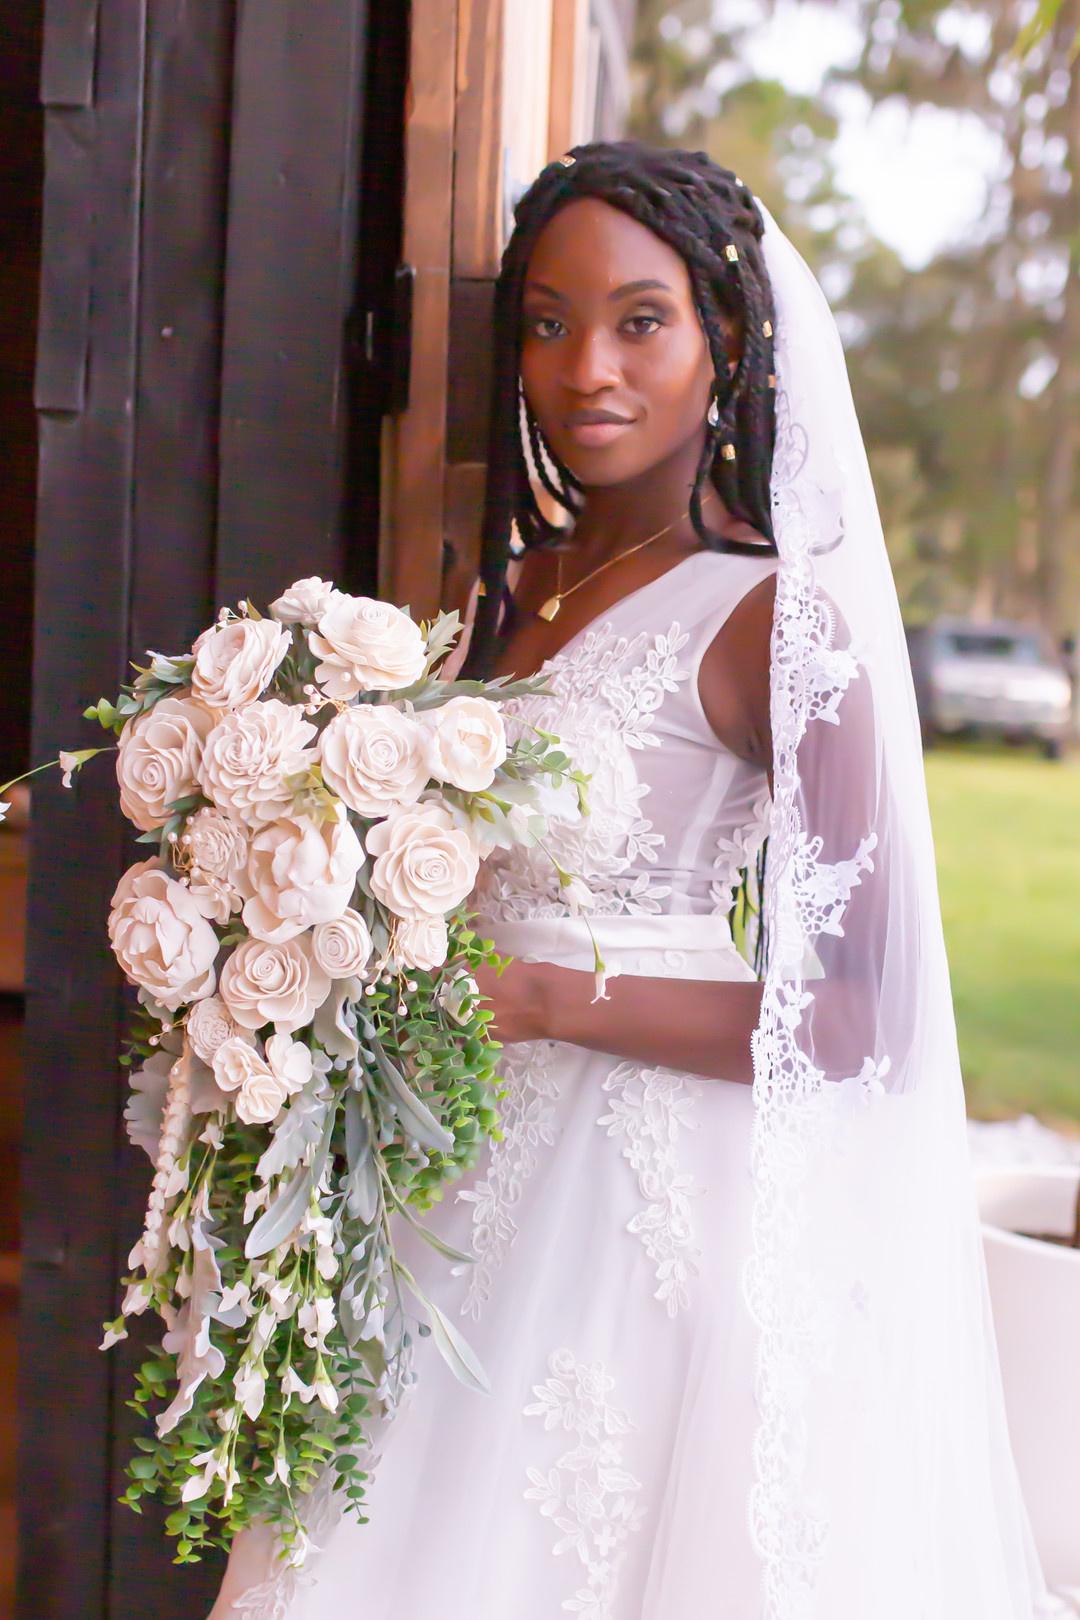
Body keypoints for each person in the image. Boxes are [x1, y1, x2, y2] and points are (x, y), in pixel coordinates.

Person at [209, 143, 1056, 1619]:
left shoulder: (773, 622)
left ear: (724, 343)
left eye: (639, 320)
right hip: (447, 1153)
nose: (585, 365)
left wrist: (543, 996)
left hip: (636, 1187)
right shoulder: (500, 592)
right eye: (546, 322)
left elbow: (862, 1021)